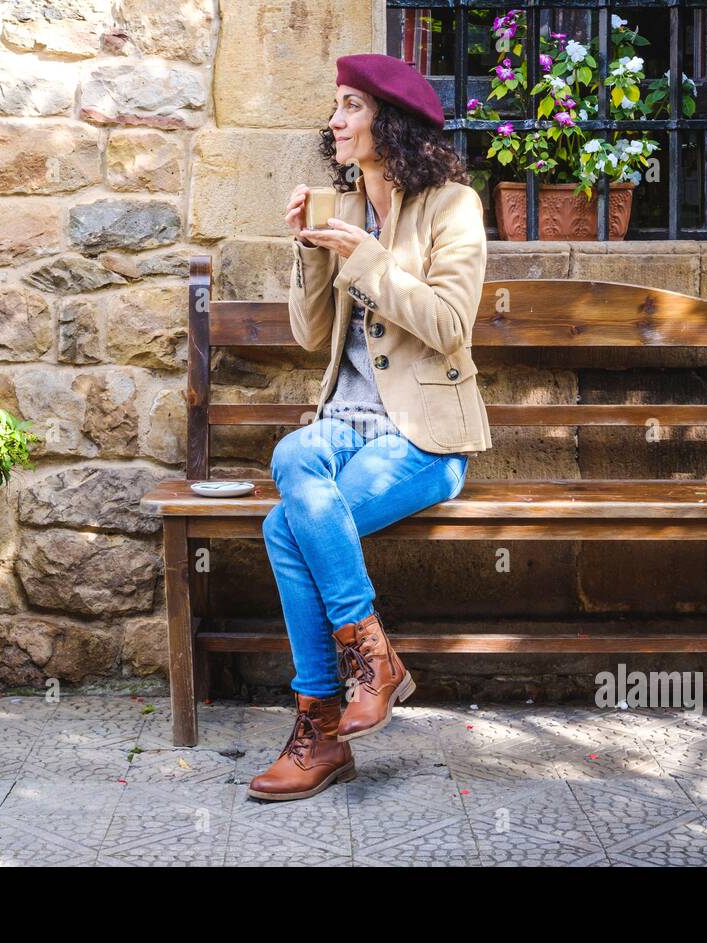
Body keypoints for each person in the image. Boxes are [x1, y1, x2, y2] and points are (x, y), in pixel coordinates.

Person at [247, 53, 492, 801]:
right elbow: (309, 334)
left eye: (350, 106)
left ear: (390, 121)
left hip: (422, 437)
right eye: (337, 107)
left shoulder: (454, 207)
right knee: (293, 453)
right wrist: (310, 252)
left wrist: (373, 261)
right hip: (345, 425)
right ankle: (372, 659)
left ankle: (319, 729)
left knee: (285, 530)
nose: (335, 120)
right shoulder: (345, 207)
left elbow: (449, 325)